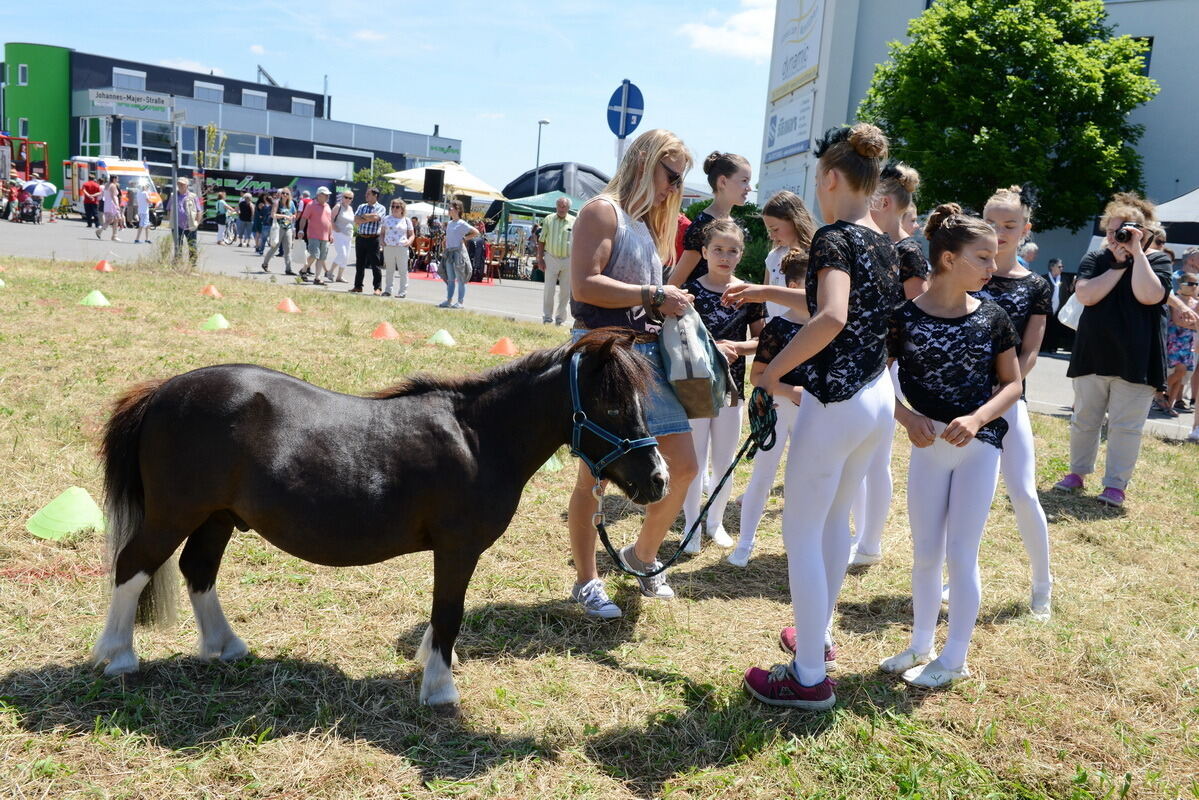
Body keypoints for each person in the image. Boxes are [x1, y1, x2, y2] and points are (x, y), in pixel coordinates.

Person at [731, 123, 901, 710]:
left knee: (801, 529)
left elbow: (827, 317)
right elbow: (832, 307)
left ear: (830, 179)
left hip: (837, 400)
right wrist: (764, 293)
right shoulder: (886, 241)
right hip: (875, 398)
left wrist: (775, 374)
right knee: (832, 523)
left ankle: (807, 676)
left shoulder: (833, 238)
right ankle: (818, 636)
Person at [882, 204, 1022, 688]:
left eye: (994, 257)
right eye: (982, 257)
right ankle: (921, 644)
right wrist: (904, 416)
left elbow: (1013, 385)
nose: (992, 266)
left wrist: (980, 416)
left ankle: (954, 657)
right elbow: (875, 378)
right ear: (946, 259)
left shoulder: (994, 316)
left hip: (978, 444)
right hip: (927, 446)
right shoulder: (903, 318)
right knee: (925, 553)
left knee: (962, 554)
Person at [567, 128, 697, 618]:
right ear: (645, 163)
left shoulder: (642, 224)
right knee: (594, 478)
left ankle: (641, 556)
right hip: (605, 357)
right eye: (671, 176)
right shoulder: (603, 212)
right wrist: (652, 295)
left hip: (647, 357)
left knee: (682, 467)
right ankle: (586, 580)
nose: (673, 188)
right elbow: (584, 286)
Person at [1054, 193, 1173, 507]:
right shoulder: (1096, 258)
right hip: (1093, 353)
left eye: (1125, 230)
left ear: (1143, 232)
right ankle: (1077, 474)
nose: (1116, 237)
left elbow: (1149, 295)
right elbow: (1087, 295)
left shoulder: (1158, 260)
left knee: (1126, 427)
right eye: (1111, 231)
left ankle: (1115, 486)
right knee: (1084, 419)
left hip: (1137, 359)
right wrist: (1118, 266)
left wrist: (1136, 255)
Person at [976, 185, 1054, 619]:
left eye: (1009, 225)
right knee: (969, 499)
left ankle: (1042, 584)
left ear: (1026, 229)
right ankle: (958, 577)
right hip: (962, 405)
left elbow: (1031, 351)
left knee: (1023, 493)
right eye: (990, 222)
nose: (999, 232)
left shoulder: (1037, 285)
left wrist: (1004, 391)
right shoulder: (965, 274)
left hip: (1006, 402)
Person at [847, 161, 930, 570]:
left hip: (891, 361)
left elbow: (916, 311)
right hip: (874, 357)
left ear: (882, 202)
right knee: (863, 456)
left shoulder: (908, 251)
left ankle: (870, 542)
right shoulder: (875, 246)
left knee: (876, 457)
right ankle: (861, 536)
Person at [680, 220, 766, 552]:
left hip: (732, 391)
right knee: (694, 461)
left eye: (733, 250)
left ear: (741, 255)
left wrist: (735, 347)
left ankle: (714, 522)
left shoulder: (749, 293)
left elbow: (761, 341)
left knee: (724, 460)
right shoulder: (691, 291)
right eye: (718, 249)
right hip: (696, 387)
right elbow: (678, 337)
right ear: (704, 252)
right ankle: (690, 525)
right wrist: (709, 347)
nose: (725, 256)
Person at [730, 249, 809, 567]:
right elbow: (757, 376)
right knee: (763, 475)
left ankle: (798, 545)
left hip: (812, 414)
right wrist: (792, 391)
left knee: (802, 480)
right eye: (808, 286)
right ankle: (745, 541)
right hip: (778, 409)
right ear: (790, 287)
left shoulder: (828, 326)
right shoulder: (777, 328)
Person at [668, 152, 751, 287]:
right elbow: (675, 282)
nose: (749, 188)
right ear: (723, 182)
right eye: (744, 181)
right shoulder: (702, 225)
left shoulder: (733, 223)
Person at [759, 191, 818, 319]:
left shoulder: (815, 255)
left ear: (794, 221)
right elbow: (765, 295)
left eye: (775, 229)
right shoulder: (773, 256)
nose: (771, 236)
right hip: (774, 330)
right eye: (769, 231)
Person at [536, 196, 574, 325]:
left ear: (569, 208)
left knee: (565, 291)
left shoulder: (574, 221)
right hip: (551, 257)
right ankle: (547, 317)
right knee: (549, 289)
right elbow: (541, 240)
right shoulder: (548, 219)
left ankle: (560, 319)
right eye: (559, 206)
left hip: (568, 259)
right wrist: (540, 259)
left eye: (564, 206)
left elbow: (579, 242)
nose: (561, 209)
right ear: (556, 206)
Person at [1165, 271, 1198, 414]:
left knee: (1181, 373)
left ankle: (1168, 403)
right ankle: (1159, 392)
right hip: (1174, 340)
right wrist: (1191, 323)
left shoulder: (1196, 303)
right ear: (1181, 284)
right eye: (1190, 284)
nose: (1194, 287)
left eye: (1196, 284)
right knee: (1179, 372)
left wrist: (1189, 323)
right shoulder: (1175, 300)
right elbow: (1177, 321)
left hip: (1188, 341)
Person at [438, 200, 478, 308]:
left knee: (460, 279)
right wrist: (445, 241)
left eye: (451, 208)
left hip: (458, 253)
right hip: (449, 252)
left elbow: (476, 232)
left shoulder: (462, 223)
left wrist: (465, 238)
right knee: (450, 279)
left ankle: (460, 302)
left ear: (457, 210)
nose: (449, 210)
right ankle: (449, 300)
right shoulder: (450, 223)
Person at [351, 188, 386, 294]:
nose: (366, 195)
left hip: (373, 239)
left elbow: (376, 218)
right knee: (359, 264)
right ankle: (358, 286)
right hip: (361, 237)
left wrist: (364, 217)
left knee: (375, 264)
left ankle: (377, 288)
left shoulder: (381, 208)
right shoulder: (362, 206)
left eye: (368, 194)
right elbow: (356, 219)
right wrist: (367, 217)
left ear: (375, 195)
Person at [298, 186, 335, 285]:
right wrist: (301, 230)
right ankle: (304, 269)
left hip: (325, 236)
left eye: (328, 195)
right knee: (314, 255)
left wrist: (331, 234)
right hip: (313, 235)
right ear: (319, 195)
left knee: (321, 258)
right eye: (325, 195)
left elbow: (329, 222)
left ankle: (317, 278)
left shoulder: (327, 206)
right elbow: (304, 218)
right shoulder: (311, 205)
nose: (327, 197)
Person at [380, 197, 414, 297]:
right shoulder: (386, 218)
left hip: (401, 247)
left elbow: (412, 234)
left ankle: (402, 292)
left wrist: (408, 242)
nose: (394, 208)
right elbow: (382, 233)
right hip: (389, 247)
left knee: (403, 271)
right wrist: (382, 241)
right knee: (389, 270)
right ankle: (388, 290)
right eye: (393, 206)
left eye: (397, 206)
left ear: (402, 208)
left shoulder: (406, 220)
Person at [1040, 258, 1075, 354]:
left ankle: (1053, 347)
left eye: (1062, 266)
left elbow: (1068, 292)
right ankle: (1043, 347)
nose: (1062, 268)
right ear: (1052, 267)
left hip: (1059, 309)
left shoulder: (1064, 279)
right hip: (1046, 309)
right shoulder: (1044, 278)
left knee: (1056, 330)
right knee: (1045, 329)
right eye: (1059, 266)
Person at [261, 188, 297, 275]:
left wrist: (293, 216)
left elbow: (295, 213)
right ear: (280, 194)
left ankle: (288, 269)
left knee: (288, 249)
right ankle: (265, 263)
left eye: (287, 194)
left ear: (289, 195)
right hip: (279, 228)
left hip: (288, 227)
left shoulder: (291, 203)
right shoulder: (277, 202)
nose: (285, 195)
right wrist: (284, 216)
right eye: (283, 193)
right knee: (274, 247)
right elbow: (273, 214)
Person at [167, 177, 202, 264]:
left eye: (182, 184)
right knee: (177, 245)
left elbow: (199, 210)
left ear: (187, 185)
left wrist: (197, 222)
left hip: (190, 226)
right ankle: (178, 262)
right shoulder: (173, 195)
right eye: (179, 184)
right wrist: (170, 220)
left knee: (192, 245)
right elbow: (168, 209)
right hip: (177, 226)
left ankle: (192, 264)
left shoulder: (193, 196)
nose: (180, 186)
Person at [329, 191, 355, 283]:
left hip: (349, 235)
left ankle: (339, 276)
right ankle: (330, 271)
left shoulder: (351, 208)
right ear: (342, 197)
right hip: (339, 234)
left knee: (346, 257)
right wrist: (334, 227)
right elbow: (331, 218)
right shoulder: (338, 206)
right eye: (346, 197)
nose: (347, 199)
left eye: (350, 198)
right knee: (342, 255)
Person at [101, 176, 123, 241]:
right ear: (114, 179)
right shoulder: (113, 185)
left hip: (107, 203)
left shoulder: (106, 185)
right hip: (112, 203)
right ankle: (114, 236)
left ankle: (101, 230)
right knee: (117, 219)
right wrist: (117, 205)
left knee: (112, 219)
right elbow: (113, 196)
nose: (118, 180)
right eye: (117, 178)